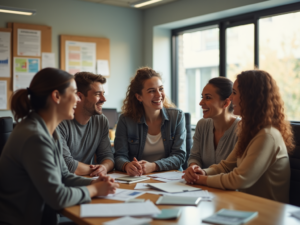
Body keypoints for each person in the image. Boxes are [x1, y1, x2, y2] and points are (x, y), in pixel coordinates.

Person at [0, 68, 119, 225]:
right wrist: (95, 190)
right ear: (56, 96)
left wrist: (95, 183)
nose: (78, 100)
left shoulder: (49, 131)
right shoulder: (35, 136)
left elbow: (64, 175)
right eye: (75, 93)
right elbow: (58, 197)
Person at [183, 70, 294, 203]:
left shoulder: (267, 135)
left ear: (250, 97)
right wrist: (203, 172)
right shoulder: (249, 130)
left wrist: (200, 179)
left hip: (267, 210)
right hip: (244, 204)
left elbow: (239, 179)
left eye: (234, 93)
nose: (230, 97)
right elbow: (226, 166)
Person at [114, 67, 186, 176]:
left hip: (170, 179)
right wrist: (127, 165)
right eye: (151, 91)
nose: (158, 95)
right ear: (139, 97)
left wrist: (153, 166)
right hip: (138, 178)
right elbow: (119, 156)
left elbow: (179, 156)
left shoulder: (177, 117)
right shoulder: (125, 120)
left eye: (161, 89)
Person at [57, 72, 114, 177]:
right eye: (97, 94)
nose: (104, 99)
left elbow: (107, 156)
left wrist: (104, 167)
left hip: (86, 179)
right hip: (65, 182)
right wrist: (97, 170)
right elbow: (66, 164)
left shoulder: (101, 121)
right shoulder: (59, 122)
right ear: (80, 96)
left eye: (103, 93)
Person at [185, 77, 240, 177]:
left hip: (228, 189)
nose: (201, 103)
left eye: (208, 98)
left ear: (226, 103)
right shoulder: (202, 125)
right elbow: (194, 156)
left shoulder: (241, 129)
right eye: (202, 97)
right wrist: (194, 168)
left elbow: (234, 170)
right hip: (203, 186)